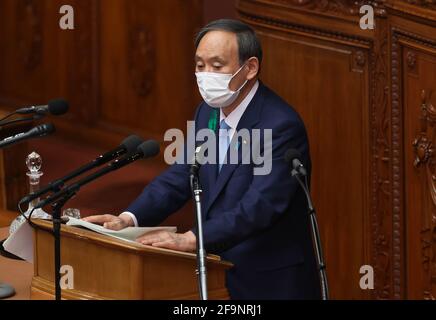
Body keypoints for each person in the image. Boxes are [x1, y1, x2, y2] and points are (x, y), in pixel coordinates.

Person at [84, 19, 321, 300]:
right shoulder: (206, 112)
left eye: (217, 66)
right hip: (214, 270)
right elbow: (180, 177)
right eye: (200, 65)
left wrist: (191, 239)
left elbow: (260, 206)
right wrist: (128, 219)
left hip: (267, 279)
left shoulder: (280, 125)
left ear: (250, 68)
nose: (206, 75)